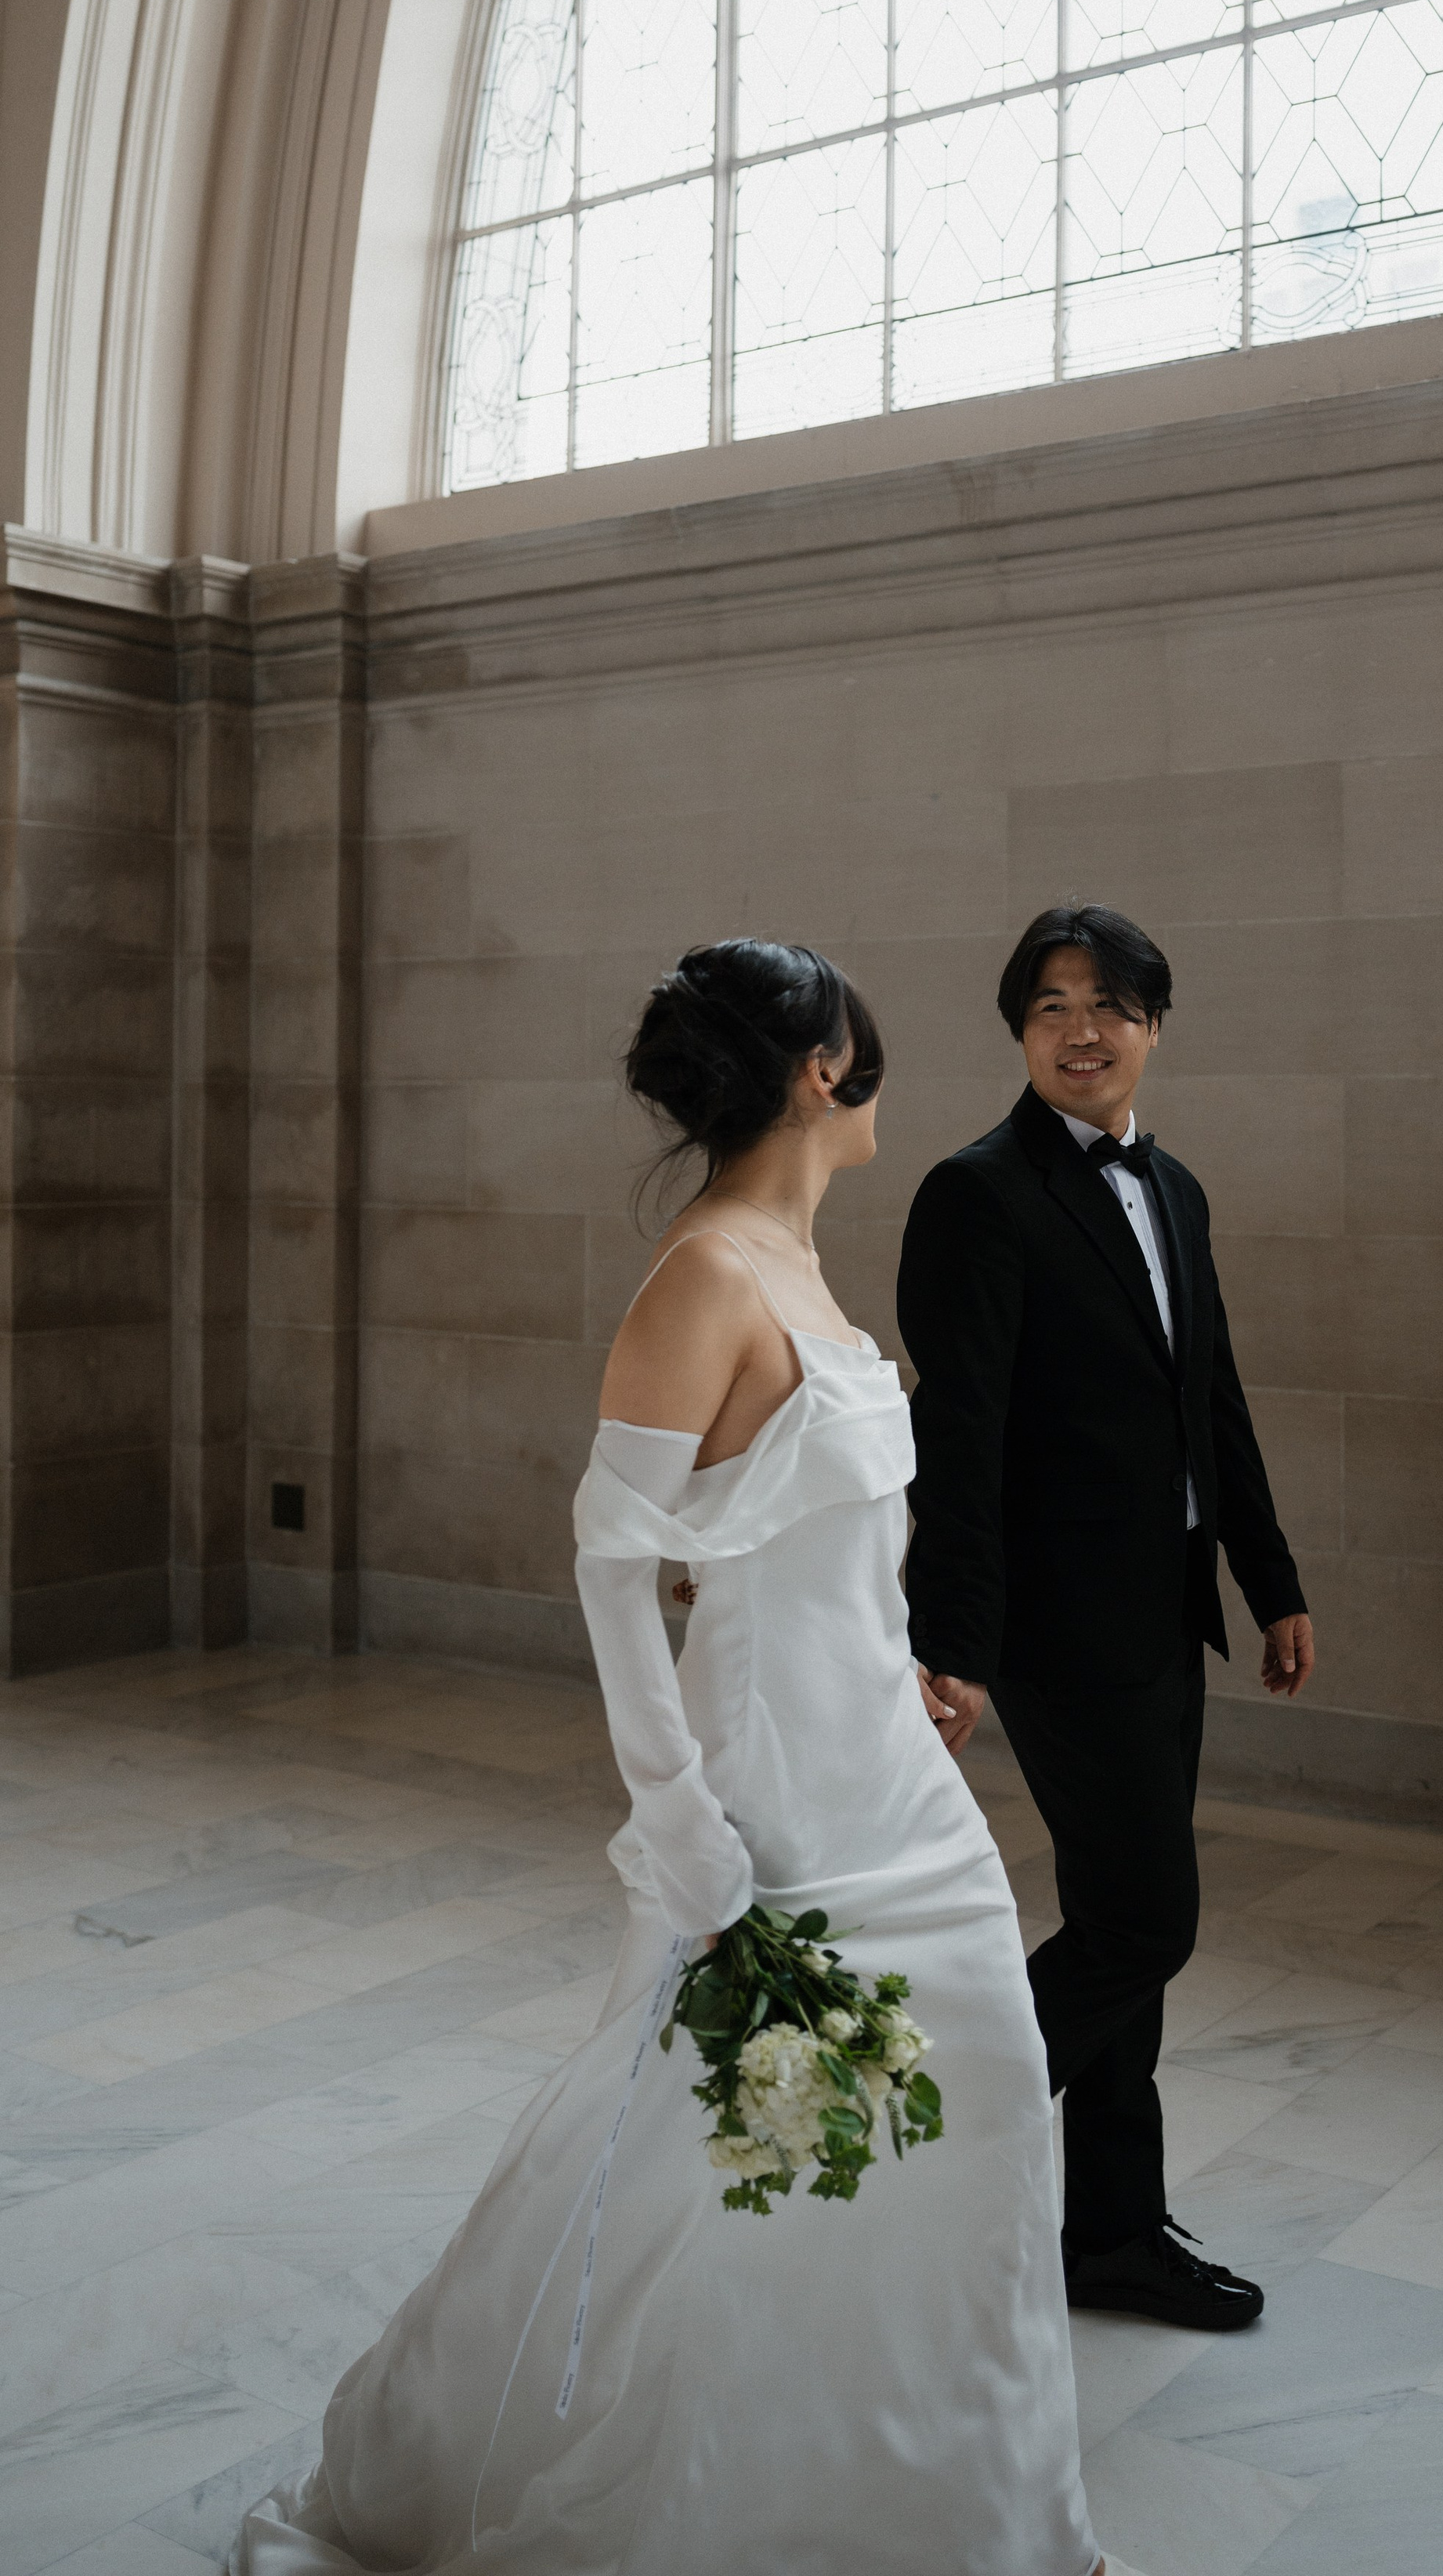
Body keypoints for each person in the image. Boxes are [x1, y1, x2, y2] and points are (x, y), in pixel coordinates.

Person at [233, 940, 1139, 2576]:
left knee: (977, 2123)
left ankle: (957, 2519)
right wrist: (690, 1837)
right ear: (820, 1070)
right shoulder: (704, 1276)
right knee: (729, 2167)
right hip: (772, 1808)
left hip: (896, 1782)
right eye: (866, 1035)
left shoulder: (799, 1265)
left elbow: (793, 1534)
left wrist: (910, 1663)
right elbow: (611, 1576)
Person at [897, 903, 1315, 2335]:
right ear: (1022, 1032)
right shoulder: (978, 1193)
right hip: (1056, 1630)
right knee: (1146, 1920)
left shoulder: (1176, 1190)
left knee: (1117, 1918)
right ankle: (921, 2140)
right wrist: (946, 1643)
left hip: (1169, 1616)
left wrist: (1274, 1584)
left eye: (1110, 1006)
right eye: (1053, 1007)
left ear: (1153, 1027)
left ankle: (1113, 2231)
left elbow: (1216, 1402)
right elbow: (957, 1438)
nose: (1083, 1030)